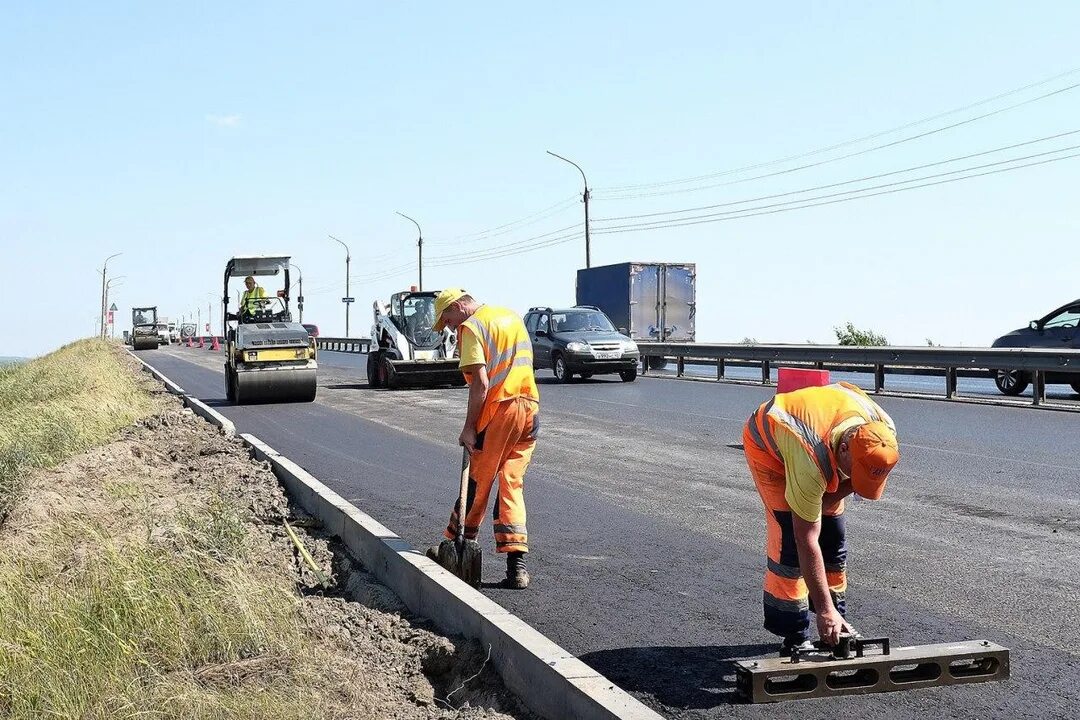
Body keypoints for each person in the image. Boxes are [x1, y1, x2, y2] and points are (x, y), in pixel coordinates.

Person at [742, 381, 900, 655]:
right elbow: (806, 538)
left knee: (833, 537)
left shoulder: (883, 435)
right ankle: (795, 633)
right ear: (844, 450)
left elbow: (851, 485)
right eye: (856, 472)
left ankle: (835, 626)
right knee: (790, 544)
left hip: (824, 438)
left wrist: (831, 613)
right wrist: (823, 611)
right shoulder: (810, 457)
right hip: (770, 450)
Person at [429, 288, 539, 589]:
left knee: (478, 481)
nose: (449, 327)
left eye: (447, 319)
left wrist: (469, 427)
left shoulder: (472, 327)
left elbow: (480, 383)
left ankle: (455, 544)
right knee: (511, 483)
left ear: (458, 306)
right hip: (530, 409)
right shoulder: (510, 316)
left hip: (500, 411)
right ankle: (517, 566)